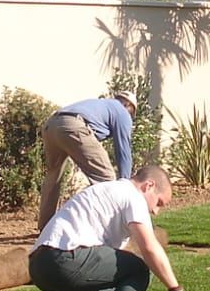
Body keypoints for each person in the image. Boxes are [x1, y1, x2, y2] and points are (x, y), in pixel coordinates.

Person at [30, 164, 188, 291]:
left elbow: (115, 273)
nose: (156, 211)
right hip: (63, 258)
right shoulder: (132, 195)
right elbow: (149, 247)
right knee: (139, 269)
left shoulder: (111, 193)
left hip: (41, 265)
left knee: (117, 288)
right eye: (159, 203)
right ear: (149, 186)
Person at [36, 90, 137, 230]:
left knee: (53, 175)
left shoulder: (103, 105)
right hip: (73, 125)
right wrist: (125, 184)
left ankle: (45, 228)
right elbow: (123, 151)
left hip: (51, 125)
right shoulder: (122, 112)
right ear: (128, 106)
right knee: (106, 178)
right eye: (132, 113)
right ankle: (95, 227)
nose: (130, 117)